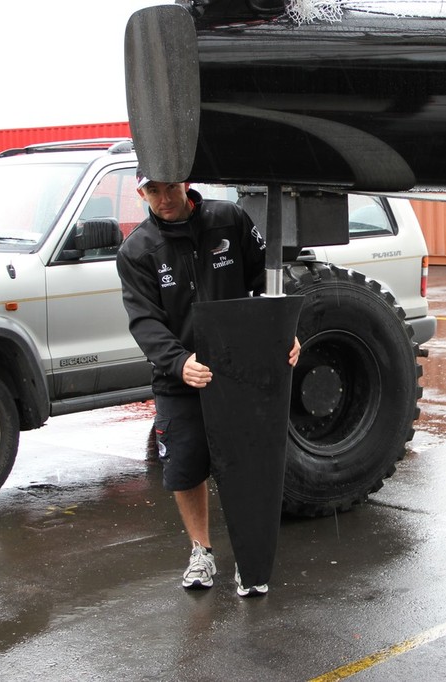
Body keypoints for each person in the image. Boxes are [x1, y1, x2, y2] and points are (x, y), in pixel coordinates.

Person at [116, 171, 300, 596]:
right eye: (153, 191)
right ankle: (201, 551)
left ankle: (248, 556)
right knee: (184, 468)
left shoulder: (228, 219)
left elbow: (268, 279)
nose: (164, 198)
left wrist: (285, 330)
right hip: (181, 377)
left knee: (246, 462)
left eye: (171, 187)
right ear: (141, 193)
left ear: (186, 184)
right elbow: (144, 321)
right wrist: (179, 363)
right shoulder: (137, 250)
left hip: (240, 372)